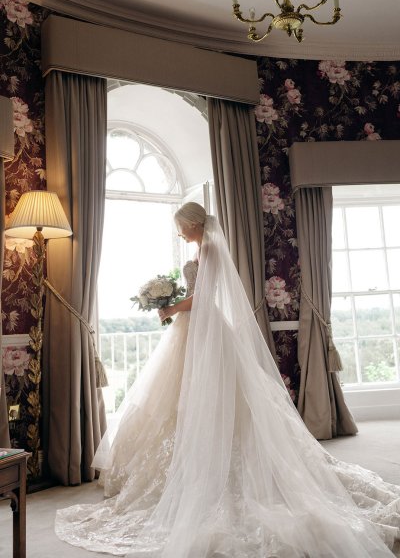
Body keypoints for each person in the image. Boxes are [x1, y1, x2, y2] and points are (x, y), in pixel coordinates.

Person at [56, 202, 400, 557]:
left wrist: (172, 307)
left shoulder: (208, 249)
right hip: (198, 328)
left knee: (205, 394)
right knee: (178, 395)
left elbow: (202, 297)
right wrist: (172, 302)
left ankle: (204, 467)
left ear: (191, 224)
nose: (179, 232)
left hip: (203, 327)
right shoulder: (204, 248)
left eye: (180, 226)